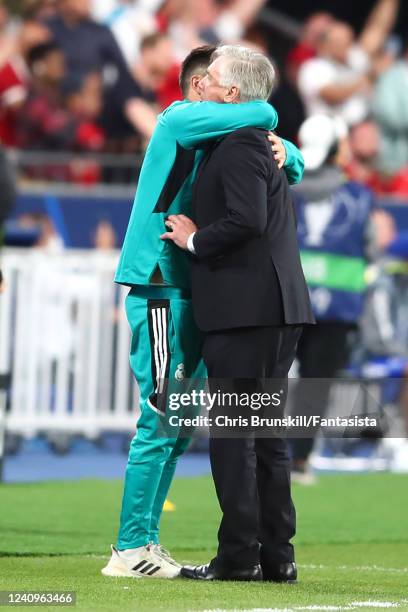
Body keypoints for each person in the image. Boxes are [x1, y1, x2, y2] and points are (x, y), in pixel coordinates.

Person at [102, 44, 305, 580]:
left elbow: (279, 151)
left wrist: (290, 152)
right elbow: (263, 112)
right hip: (162, 279)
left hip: (194, 284)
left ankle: (144, 539)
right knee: (164, 414)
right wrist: (277, 129)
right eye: (207, 83)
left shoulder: (225, 140)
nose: (205, 92)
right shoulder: (176, 119)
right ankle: (129, 547)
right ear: (201, 92)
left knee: (183, 420)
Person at [163, 46, 314, 582]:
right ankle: (277, 556)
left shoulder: (241, 143)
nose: (200, 84)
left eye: (211, 78)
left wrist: (196, 239)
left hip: (247, 310)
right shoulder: (259, 142)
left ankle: (238, 557)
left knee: (234, 436)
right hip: (273, 307)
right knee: (266, 434)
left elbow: (246, 220)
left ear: (231, 94)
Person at [289, 115, 376, 484]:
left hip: (284, 303)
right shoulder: (358, 198)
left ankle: (261, 460)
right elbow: (370, 248)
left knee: (265, 380)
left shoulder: (280, 189)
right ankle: (300, 461)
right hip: (336, 309)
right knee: (315, 385)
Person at [297, 0, 399, 126]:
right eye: (339, 42)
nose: (346, 46)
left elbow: (377, 29)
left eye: (349, 41)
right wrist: (368, 77)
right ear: (324, 45)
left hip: (359, 133)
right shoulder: (313, 68)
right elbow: (332, 96)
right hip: (329, 135)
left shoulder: (354, 59)